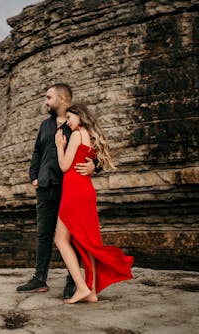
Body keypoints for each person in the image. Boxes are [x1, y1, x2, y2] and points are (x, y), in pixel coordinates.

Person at [17, 84, 95, 298]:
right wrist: (33, 176)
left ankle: (73, 282)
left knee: (72, 236)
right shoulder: (45, 125)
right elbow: (37, 152)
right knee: (43, 234)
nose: (46, 101)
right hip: (44, 187)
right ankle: (39, 278)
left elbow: (96, 151)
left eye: (48, 97)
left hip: (69, 189)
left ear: (62, 98)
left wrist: (94, 166)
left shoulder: (78, 125)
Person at [54, 103, 134, 304]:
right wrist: (92, 166)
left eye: (70, 117)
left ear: (80, 117)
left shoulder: (76, 134)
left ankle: (81, 287)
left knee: (61, 240)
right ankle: (91, 292)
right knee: (88, 242)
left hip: (74, 193)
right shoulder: (90, 136)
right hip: (85, 191)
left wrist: (59, 147)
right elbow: (95, 162)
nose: (67, 122)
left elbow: (64, 166)